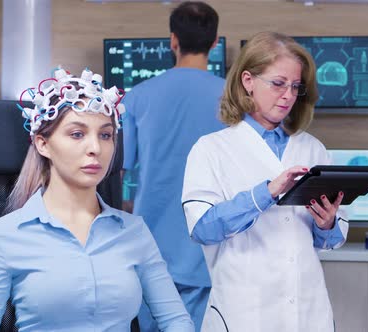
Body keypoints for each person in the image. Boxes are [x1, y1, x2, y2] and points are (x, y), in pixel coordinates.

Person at [0, 68, 194, 332]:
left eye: (105, 135)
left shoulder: (133, 232)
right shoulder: (6, 236)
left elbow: (176, 320)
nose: (95, 148)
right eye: (77, 134)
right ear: (42, 144)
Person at [182, 31, 349, 332]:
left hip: (307, 311)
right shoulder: (211, 149)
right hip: (244, 312)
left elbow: (332, 241)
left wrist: (327, 224)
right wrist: (265, 194)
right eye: (278, 84)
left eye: (296, 87)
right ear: (248, 81)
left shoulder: (313, 148)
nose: (288, 96)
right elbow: (203, 228)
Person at [121, 2, 224, 331]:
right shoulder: (235, 100)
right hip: (211, 254)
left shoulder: (137, 96)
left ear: (172, 41)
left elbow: (120, 174)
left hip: (150, 252)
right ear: (215, 42)